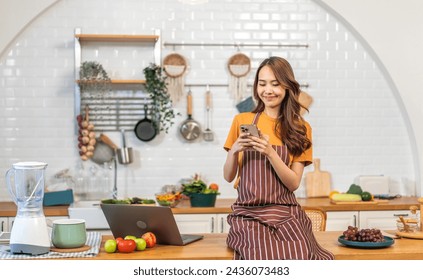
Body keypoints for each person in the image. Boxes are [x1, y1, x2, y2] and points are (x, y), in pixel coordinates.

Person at [223, 56, 334, 260]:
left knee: (302, 254)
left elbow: (293, 184)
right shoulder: (242, 120)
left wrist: (270, 153)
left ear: (287, 86)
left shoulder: (300, 128)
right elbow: (228, 177)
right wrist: (234, 150)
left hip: (286, 213)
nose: (268, 90)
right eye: (262, 83)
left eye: (275, 84)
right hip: (248, 214)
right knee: (260, 256)